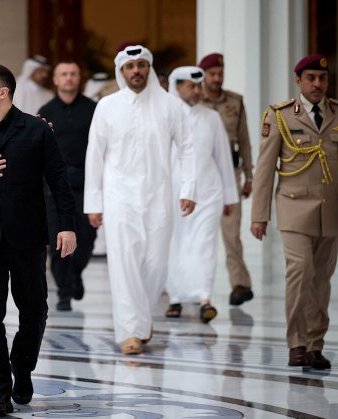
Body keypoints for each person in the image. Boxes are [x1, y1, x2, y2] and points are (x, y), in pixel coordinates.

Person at [0, 64, 76, 417]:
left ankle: (23, 368)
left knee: (34, 313)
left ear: (2, 92)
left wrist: (67, 226)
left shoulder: (37, 131)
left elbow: (59, 181)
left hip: (28, 239)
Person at [251, 54, 338, 370]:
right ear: (298, 80)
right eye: (311, 78)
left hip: (331, 212)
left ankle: (315, 345)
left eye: (322, 78)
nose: (317, 84)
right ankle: (297, 343)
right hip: (293, 208)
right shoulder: (280, 115)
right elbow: (264, 168)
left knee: (321, 281)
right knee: (300, 273)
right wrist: (259, 214)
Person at [84, 45, 196, 355]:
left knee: (156, 263)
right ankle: (130, 331)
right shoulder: (107, 106)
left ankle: (140, 317)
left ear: (149, 68)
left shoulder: (171, 106)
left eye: (142, 65)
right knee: (124, 262)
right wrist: (94, 202)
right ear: (121, 71)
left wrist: (189, 189)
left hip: (160, 195)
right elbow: (95, 155)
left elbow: (187, 148)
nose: (136, 71)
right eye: (130, 66)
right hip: (119, 196)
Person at [164, 66, 238, 323]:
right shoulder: (165, 116)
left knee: (205, 245)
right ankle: (175, 298)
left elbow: (223, 159)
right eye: (191, 86)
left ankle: (204, 297)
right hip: (173, 194)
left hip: (209, 193)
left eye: (198, 86)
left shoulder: (211, 117)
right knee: (176, 247)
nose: (197, 91)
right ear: (177, 87)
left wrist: (230, 197)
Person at [38, 61, 98, 312]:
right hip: (54, 188)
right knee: (58, 239)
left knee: (86, 239)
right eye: (64, 74)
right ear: (55, 79)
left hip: (87, 184)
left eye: (73, 74)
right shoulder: (46, 110)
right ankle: (63, 291)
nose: (69, 78)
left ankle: (76, 273)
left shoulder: (94, 109)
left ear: (79, 78)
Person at [199, 53, 255, 306]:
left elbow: (244, 141)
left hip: (229, 175)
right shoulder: (192, 100)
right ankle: (196, 288)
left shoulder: (235, 101)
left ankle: (240, 284)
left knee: (231, 233)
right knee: (198, 234)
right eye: (212, 74)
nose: (217, 78)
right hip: (200, 175)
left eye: (220, 73)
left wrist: (249, 175)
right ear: (203, 76)